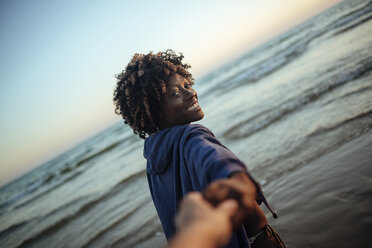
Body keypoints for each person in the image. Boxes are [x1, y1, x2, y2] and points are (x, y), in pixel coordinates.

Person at [113, 50, 285, 247]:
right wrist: (236, 177)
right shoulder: (191, 136)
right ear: (155, 111)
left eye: (187, 85)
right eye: (176, 93)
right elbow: (213, 158)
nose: (191, 93)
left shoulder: (154, 163)